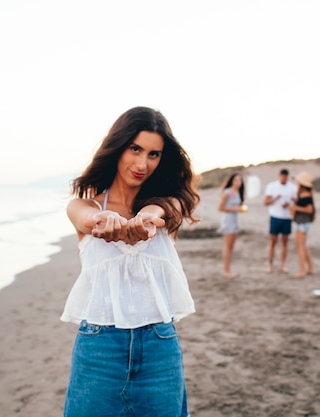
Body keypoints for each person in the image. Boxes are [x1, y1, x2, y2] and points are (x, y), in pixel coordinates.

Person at [61, 106, 200, 417]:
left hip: (159, 347)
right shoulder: (84, 204)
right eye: (135, 149)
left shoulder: (167, 204)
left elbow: (162, 210)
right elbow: (85, 218)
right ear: (118, 146)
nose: (142, 163)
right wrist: (102, 218)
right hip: (99, 348)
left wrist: (148, 217)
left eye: (153, 154)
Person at [263, 168, 296, 273]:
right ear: (279, 176)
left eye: (286, 177)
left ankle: (282, 265)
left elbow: (297, 202)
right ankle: (270, 265)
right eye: (283, 177)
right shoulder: (272, 186)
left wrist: (289, 205)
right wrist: (275, 199)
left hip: (287, 218)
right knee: (273, 241)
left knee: (285, 242)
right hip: (275, 216)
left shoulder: (292, 188)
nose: (284, 179)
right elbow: (265, 202)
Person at [217, 172, 246, 278]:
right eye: (237, 180)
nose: (239, 182)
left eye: (240, 180)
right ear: (232, 181)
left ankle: (229, 269)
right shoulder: (227, 192)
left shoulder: (238, 192)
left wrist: (240, 209)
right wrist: (235, 209)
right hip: (228, 221)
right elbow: (220, 208)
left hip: (235, 221)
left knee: (231, 246)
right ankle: (226, 270)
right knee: (228, 246)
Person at [290, 171, 315, 277]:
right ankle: (310, 268)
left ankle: (302, 270)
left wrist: (296, 207)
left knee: (300, 246)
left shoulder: (306, 196)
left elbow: (309, 209)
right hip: (304, 223)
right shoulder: (305, 195)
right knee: (303, 246)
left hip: (302, 223)